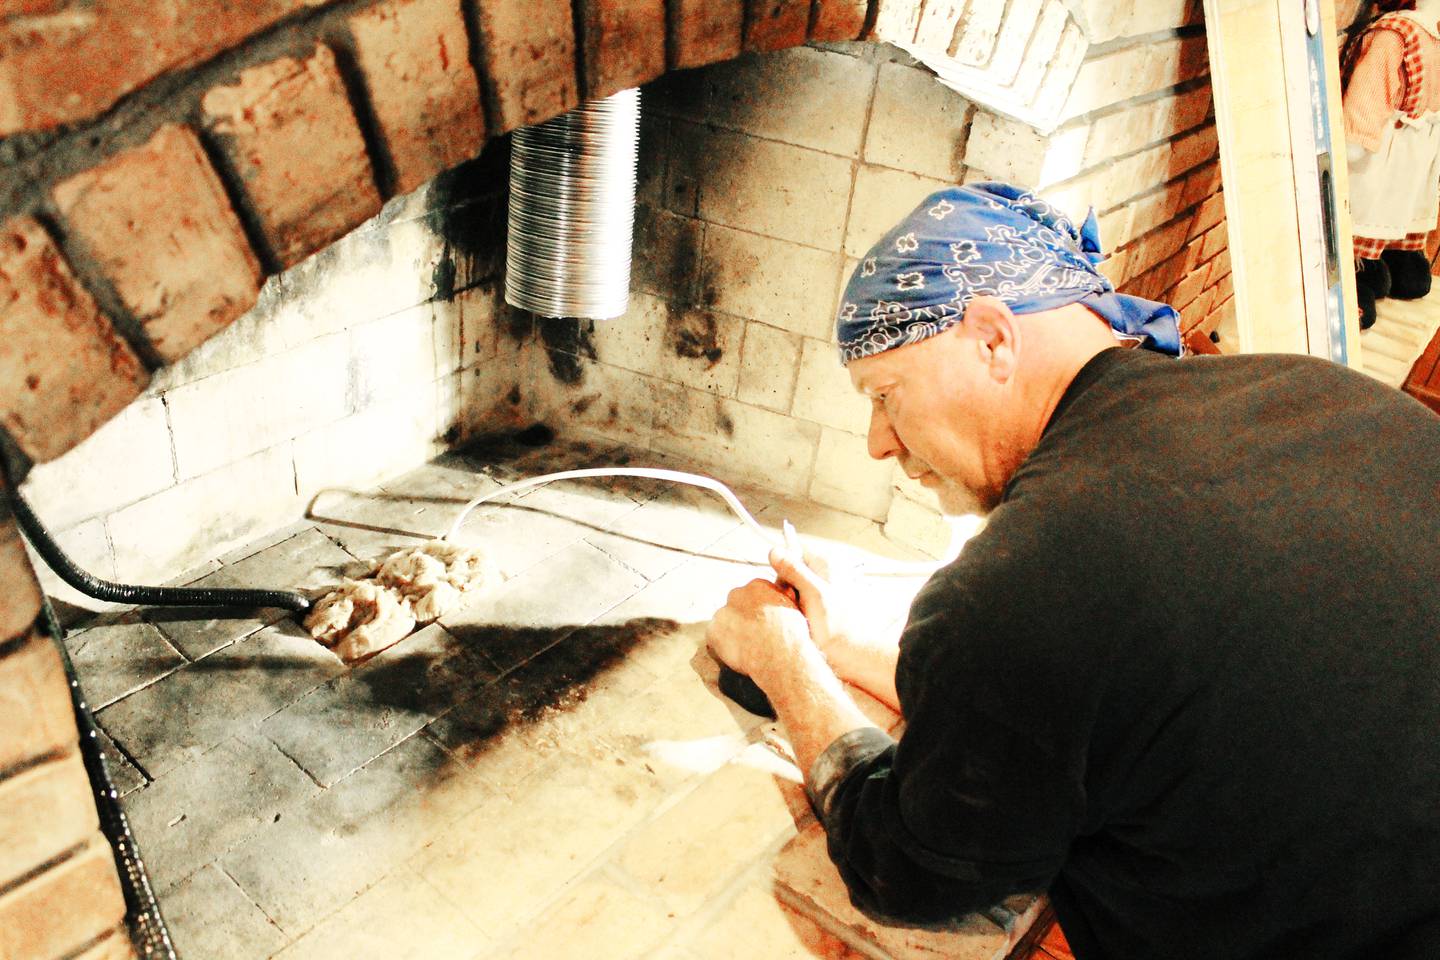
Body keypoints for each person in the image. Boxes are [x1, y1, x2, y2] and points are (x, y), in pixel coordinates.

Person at [706, 182, 1440, 959]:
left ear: (992, 338)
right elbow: (1069, 714)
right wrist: (842, 647)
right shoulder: (1321, 393)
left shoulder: (1030, 580)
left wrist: (784, 661)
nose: (878, 442)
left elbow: (907, 868)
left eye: (886, 394)